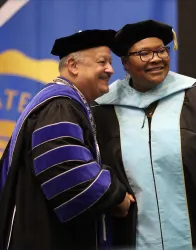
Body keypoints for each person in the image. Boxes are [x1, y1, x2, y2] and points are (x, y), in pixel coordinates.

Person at [92, 20, 196, 250]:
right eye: (144, 53)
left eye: (161, 50)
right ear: (125, 63)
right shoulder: (103, 111)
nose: (156, 59)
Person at [0, 29, 134, 250]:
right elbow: (69, 174)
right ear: (73, 66)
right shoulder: (60, 106)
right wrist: (117, 196)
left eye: (110, 62)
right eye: (103, 62)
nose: (111, 70)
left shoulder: (67, 104)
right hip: (45, 236)